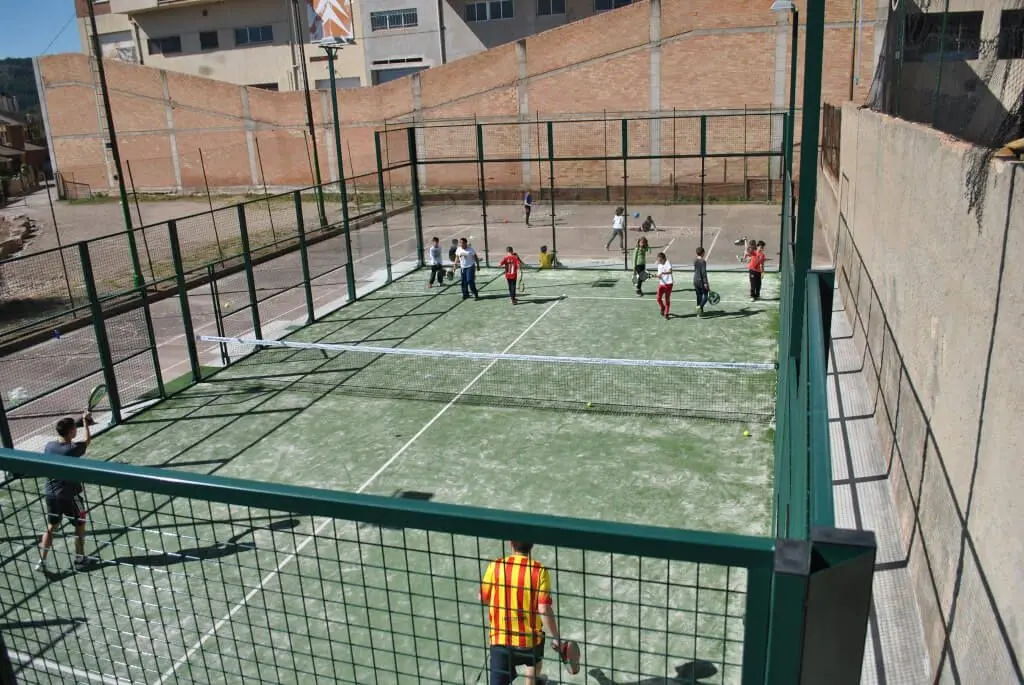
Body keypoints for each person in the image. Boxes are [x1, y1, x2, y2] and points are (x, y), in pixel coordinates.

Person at [481, 541, 566, 685]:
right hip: (530, 643)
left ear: (510, 543)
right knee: (534, 661)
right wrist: (556, 637)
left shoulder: (495, 566)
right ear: (532, 545)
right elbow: (544, 608)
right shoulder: (539, 570)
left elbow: (483, 598)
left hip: (500, 641)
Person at [36, 413, 92, 573]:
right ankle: (80, 558)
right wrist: (85, 422)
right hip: (70, 496)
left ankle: (42, 561)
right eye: (75, 429)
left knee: (51, 527)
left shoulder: (49, 446)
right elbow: (87, 440)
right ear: (71, 432)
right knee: (80, 522)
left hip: (50, 495)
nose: (76, 430)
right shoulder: (72, 449)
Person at [655, 251, 673, 319]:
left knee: (667, 300)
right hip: (661, 284)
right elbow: (659, 275)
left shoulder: (667, 262)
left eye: (660, 260)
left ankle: (666, 313)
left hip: (668, 284)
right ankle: (663, 307)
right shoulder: (659, 265)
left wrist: (663, 273)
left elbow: (670, 271)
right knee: (658, 298)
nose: (659, 261)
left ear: (664, 259)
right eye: (658, 260)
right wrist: (658, 276)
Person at [693, 246, 710, 316]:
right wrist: (705, 283)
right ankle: (700, 307)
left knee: (698, 296)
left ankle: (699, 312)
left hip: (695, 280)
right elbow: (703, 272)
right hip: (701, 281)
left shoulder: (695, 261)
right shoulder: (703, 262)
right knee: (706, 296)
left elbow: (696, 271)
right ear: (702, 253)